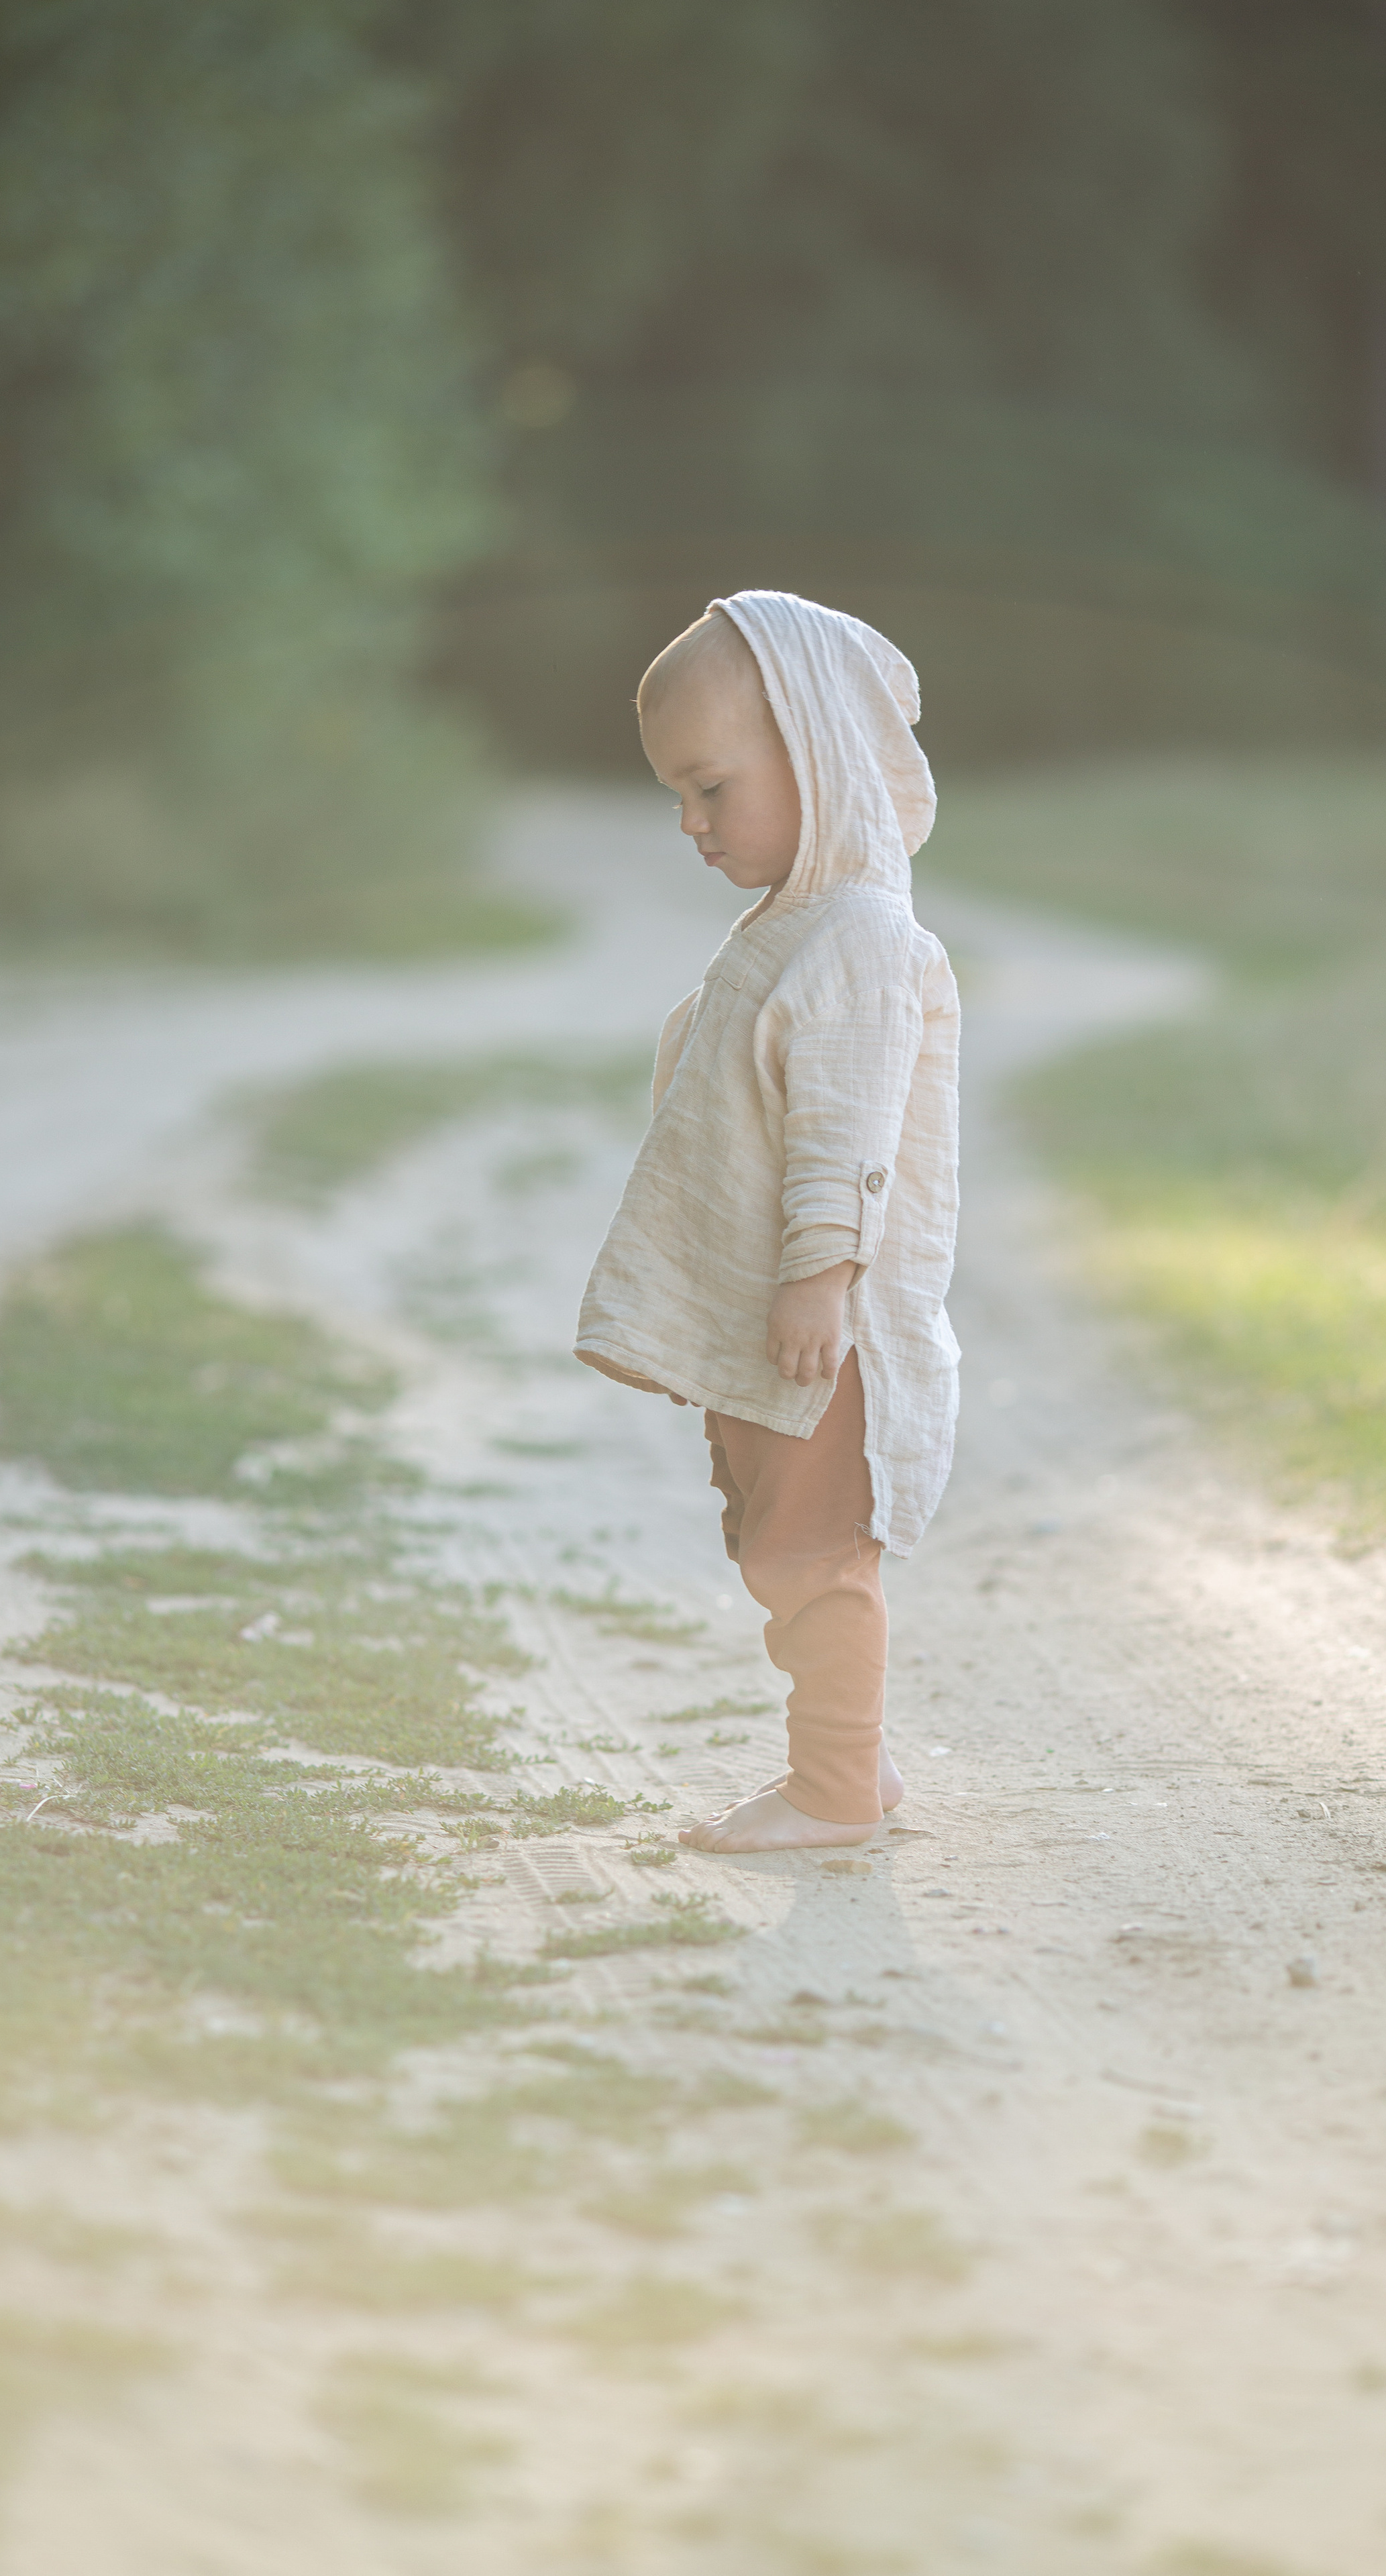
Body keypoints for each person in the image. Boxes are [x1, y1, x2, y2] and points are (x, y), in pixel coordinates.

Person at [574, 590, 960, 1851]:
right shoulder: (793, 929)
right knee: (775, 1539)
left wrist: (819, 1278)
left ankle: (835, 1790)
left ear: (813, 758)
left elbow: (845, 1133)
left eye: (710, 789)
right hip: (782, 1325)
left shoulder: (855, 939)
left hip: (820, 1333)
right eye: (675, 799)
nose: (690, 825)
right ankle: (862, 1763)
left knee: (813, 1551)